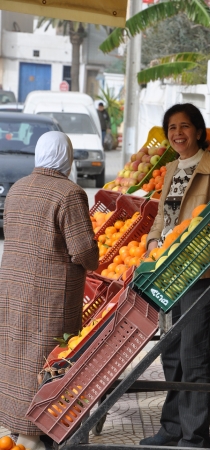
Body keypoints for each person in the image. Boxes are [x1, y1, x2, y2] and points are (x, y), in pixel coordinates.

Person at [0, 131, 99, 450]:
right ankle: (33, 435)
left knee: (15, 356)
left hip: (13, 290)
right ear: (66, 157)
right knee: (48, 359)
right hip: (52, 295)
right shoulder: (69, 193)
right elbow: (83, 251)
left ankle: (12, 427)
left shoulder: (18, 188)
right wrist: (93, 258)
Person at [140, 103, 210, 448]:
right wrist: (150, 245)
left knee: (193, 352)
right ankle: (173, 427)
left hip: (200, 273)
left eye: (185, 126)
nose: (178, 133)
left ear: (199, 130)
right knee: (172, 351)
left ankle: (195, 435)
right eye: (172, 127)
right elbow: (163, 216)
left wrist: (197, 253)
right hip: (168, 272)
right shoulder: (172, 168)